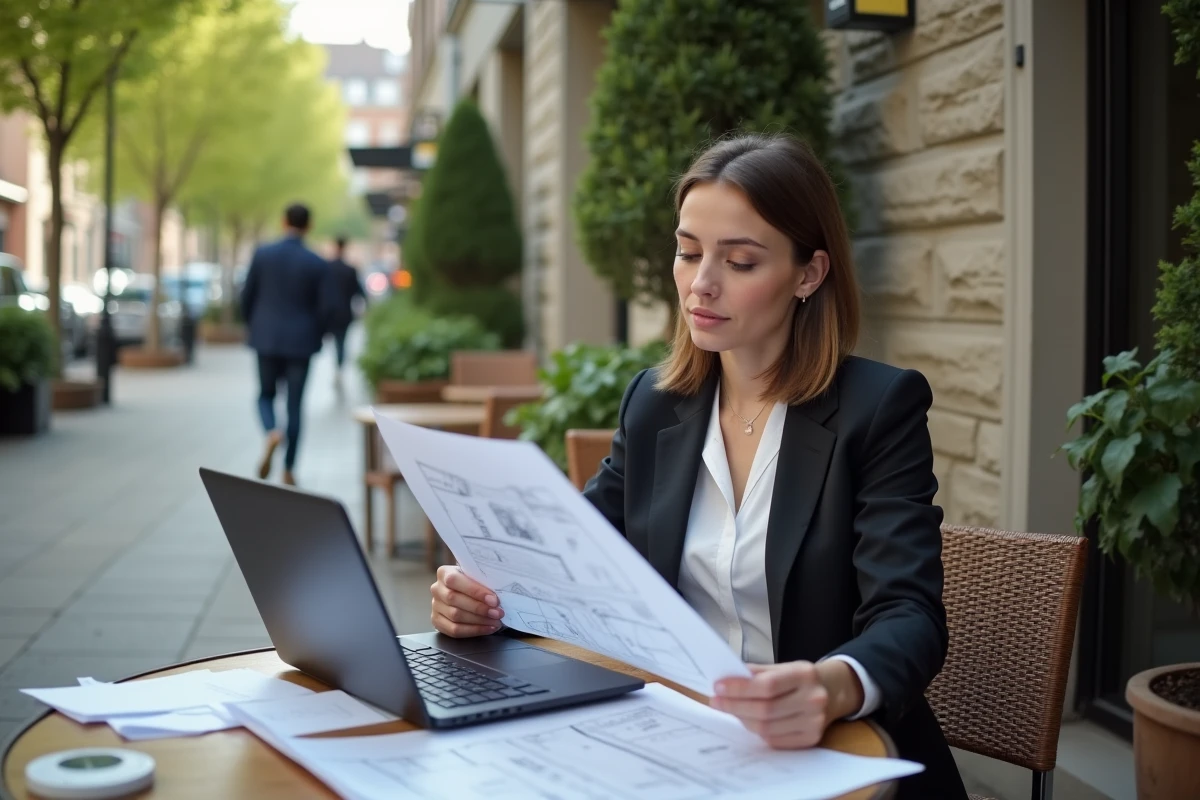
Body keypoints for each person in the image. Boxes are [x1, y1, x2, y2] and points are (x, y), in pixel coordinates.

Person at [427, 134, 967, 798]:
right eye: (687, 252)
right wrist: (483, 598)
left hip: (835, 755)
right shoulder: (656, 404)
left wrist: (831, 684)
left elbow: (911, 616)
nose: (700, 283)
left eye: (739, 261)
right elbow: (572, 562)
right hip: (676, 743)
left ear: (809, 274)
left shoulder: (877, 408)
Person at [241, 203, 330, 486]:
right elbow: (326, 308)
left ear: (283, 222)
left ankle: (271, 432)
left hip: (266, 337)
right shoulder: (316, 262)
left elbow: (246, 297)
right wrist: (318, 334)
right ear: (309, 225)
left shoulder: (263, 254)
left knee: (265, 395)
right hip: (301, 342)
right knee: (295, 406)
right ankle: (289, 467)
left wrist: (254, 326)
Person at [324, 235, 365, 381]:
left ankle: (337, 367)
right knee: (341, 343)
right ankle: (339, 368)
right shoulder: (349, 269)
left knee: (332, 341)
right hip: (344, 312)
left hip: (328, 312)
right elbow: (359, 291)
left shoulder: (327, 267)